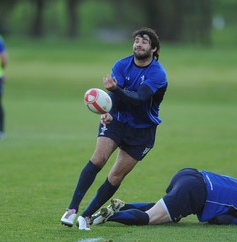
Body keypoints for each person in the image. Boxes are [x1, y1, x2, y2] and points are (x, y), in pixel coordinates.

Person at [60, 27, 168, 230]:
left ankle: (86, 215)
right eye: (136, 40)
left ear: (153, 48)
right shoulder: (121, 65)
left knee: (116, 176)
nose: (139, 44)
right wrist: (109, 110)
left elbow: (139, 99)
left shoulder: (158, 73)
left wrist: (115, 89)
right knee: (98, 158)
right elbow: (115, 98)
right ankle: (72, 209)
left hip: (142, 131)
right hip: (117, 120)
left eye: (144, 41)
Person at [90, 168, 237, 226]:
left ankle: (123, 206)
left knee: (165, 211)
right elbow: (222, 220)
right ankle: (112, 215)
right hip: (194, 191)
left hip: (188, 174)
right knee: (149, 219)